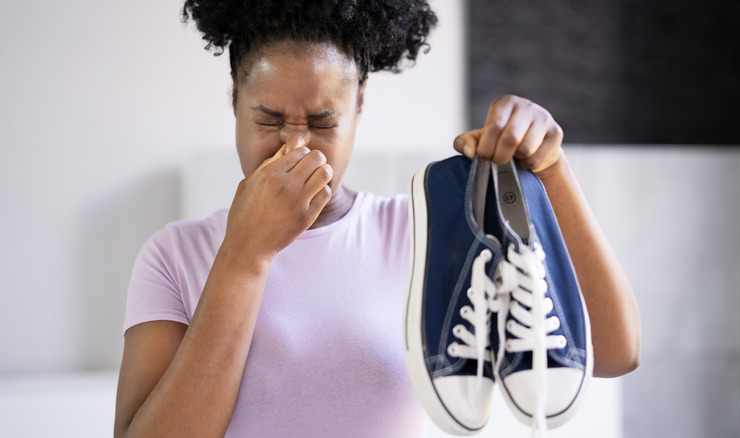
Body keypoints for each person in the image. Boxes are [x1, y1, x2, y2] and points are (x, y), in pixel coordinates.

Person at [114, 1, 642, 437]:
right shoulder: (174, 256)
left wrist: (550, 168)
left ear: (359, 106)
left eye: (322, 121)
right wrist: (244, 256)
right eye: (268, 119)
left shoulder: (423, 231)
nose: (294, 144)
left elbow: (616, 351)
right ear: (235, 101)